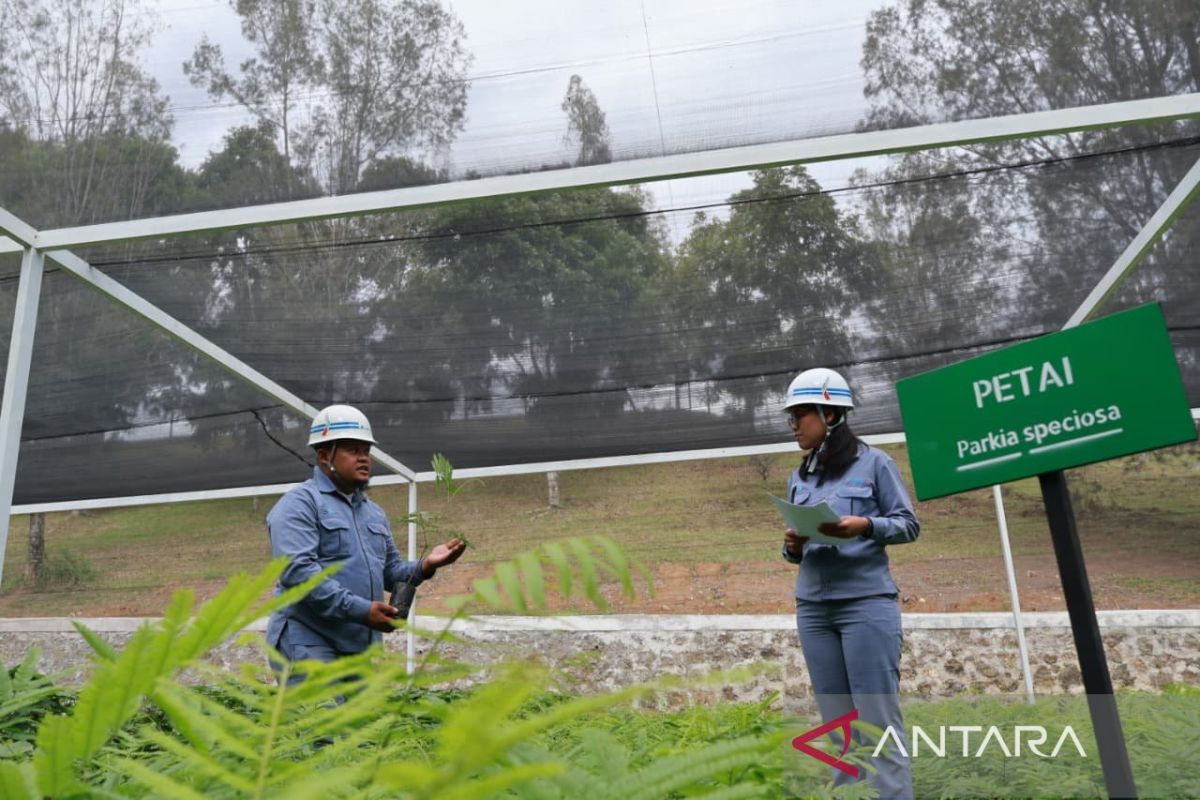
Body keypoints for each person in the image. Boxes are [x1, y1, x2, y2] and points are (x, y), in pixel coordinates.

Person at [780, 368, 919, 800]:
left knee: (877, 721)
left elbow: (908, 525)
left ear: (830, 413)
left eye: (800, 414)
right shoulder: (799, 477)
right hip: (814, 610)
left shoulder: (875, 464)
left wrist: (865, 525)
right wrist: (792, 545)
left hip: (865, 605)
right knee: (838, 726)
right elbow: (793, 554)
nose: (793, 424)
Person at [266, 404, 466, 671]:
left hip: (359, 648)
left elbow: (390, 571)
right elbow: (299, 574)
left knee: (360, 716)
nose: (364, 458)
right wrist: (361, 610)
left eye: (366, 451)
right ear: (325, 456)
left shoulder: (373, 513)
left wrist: (426, 565)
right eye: (352, 450)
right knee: (322, 714)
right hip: (310, 643)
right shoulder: (299, 504)